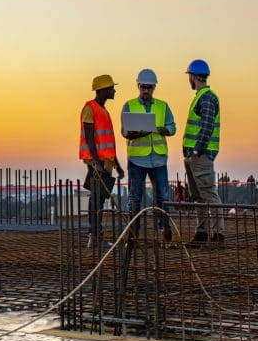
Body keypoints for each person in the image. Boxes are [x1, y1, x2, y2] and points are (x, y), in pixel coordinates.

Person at [121, 68, 176, 243]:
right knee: (135, 198)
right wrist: (140, 133)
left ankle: (165, 232)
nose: (146, 91)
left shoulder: (163, 106)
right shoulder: (129, 105)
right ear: (138, 86)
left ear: (154, 88)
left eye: (150, 88)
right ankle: (133, 234)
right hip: (137, 159)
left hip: (158, 159)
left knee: (163, 197)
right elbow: (125, 132)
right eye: (143, 87)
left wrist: (163, 130)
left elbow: (173, 127)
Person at [80, 74, 125, 248]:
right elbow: (89, 138)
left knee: (99, 199)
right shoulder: (90, 108)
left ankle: (96, 235)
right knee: (96, 199)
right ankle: (94, 236)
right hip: (96, 163)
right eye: (111, 88)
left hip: (106, 163)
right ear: (103, 90)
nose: (114, 90)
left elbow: (109, 145)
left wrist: (118, 166)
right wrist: (96, 163)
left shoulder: (104, 111)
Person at [183, 59, 223, 246]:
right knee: (198, 196)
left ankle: (217, 235)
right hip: (194, 155)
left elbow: (207, 126)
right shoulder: (201, 96)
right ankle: (201, 233)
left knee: (208, 194)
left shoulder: (206, 97)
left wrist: (197, 150)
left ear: (193, 76)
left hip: (202, 155)